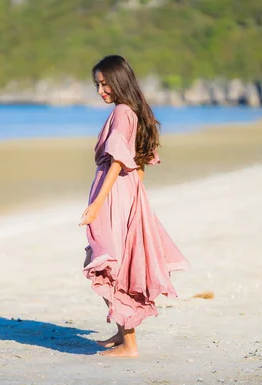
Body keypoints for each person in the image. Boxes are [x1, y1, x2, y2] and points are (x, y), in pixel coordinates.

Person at [79, 55, 190, 357]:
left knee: (109, 265)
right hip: (126, 193)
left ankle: (129, 345)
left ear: (119, 81)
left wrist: (97, 205)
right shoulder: (135, 111)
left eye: (104, 84)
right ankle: (120, 334)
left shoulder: (121, 112)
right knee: (110, 260)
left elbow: (117, 160)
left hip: (114, 195)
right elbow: (140, 162)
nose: (101, 90)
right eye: (97, 85)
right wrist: (134, 197)